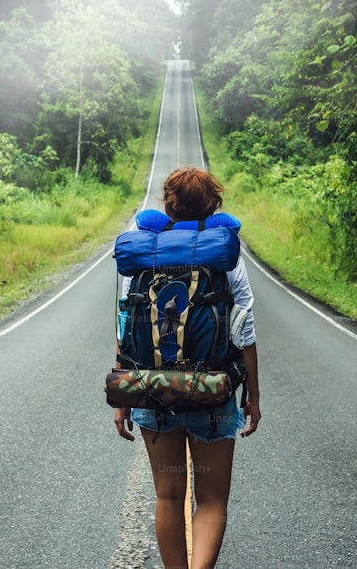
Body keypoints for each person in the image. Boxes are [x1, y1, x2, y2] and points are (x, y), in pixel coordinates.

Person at [114, 166, 261, 569]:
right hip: (212, 389)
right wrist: (253, 396)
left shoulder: (143, 252)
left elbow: (127, 324)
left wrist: (122, 397)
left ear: (168, 205)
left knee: (167, 495)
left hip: (152, 387)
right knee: (211, 499)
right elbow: (244, 325)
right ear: (212, 205)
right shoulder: (222, 251)